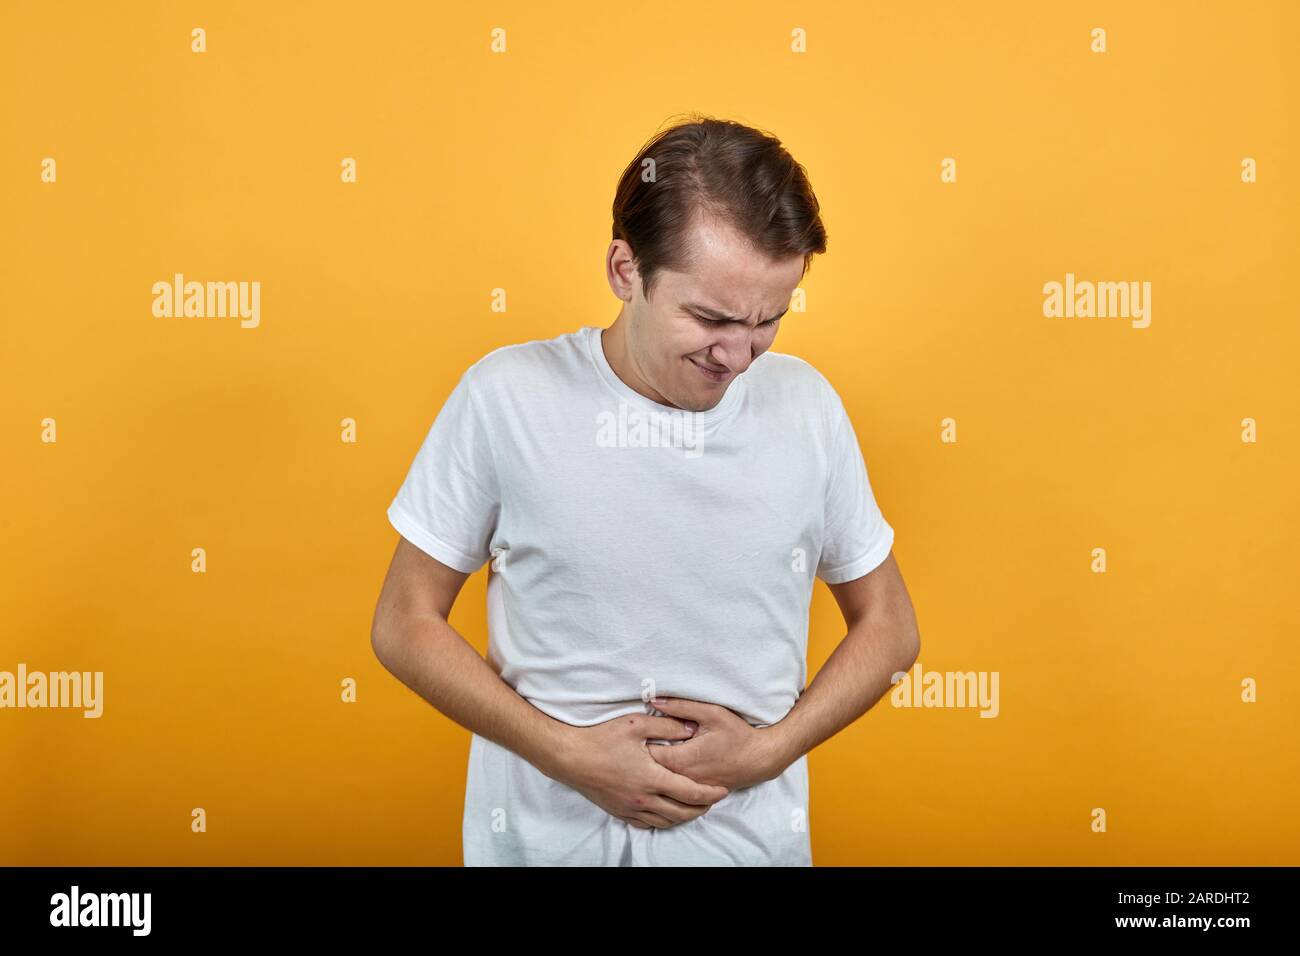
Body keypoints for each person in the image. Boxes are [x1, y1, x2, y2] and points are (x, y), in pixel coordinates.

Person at [371, 114, 920, 866]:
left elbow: (890, 625)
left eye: (770, 320)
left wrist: (770, 751)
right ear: (626, 270)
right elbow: (404, 622)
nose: (738, 354)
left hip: (748, 848)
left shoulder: (808, 409)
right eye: (710, 317)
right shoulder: (507, 397)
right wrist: (565, 753)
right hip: (539, 846)